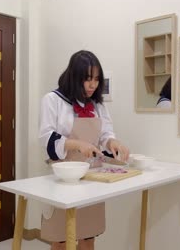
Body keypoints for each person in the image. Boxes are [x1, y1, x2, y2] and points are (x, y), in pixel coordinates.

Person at [38, 50, 130, 250]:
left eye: (96, 79)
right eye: (87, 79)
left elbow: (105, 134)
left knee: (88, 235)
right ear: (74, 76)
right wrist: (77, 144)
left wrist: (113, 142)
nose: (93, 85)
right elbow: (46, 137)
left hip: (91, 176)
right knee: (61, 236)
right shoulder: (52, 100)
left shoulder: (97, 104)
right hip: (62, 177)